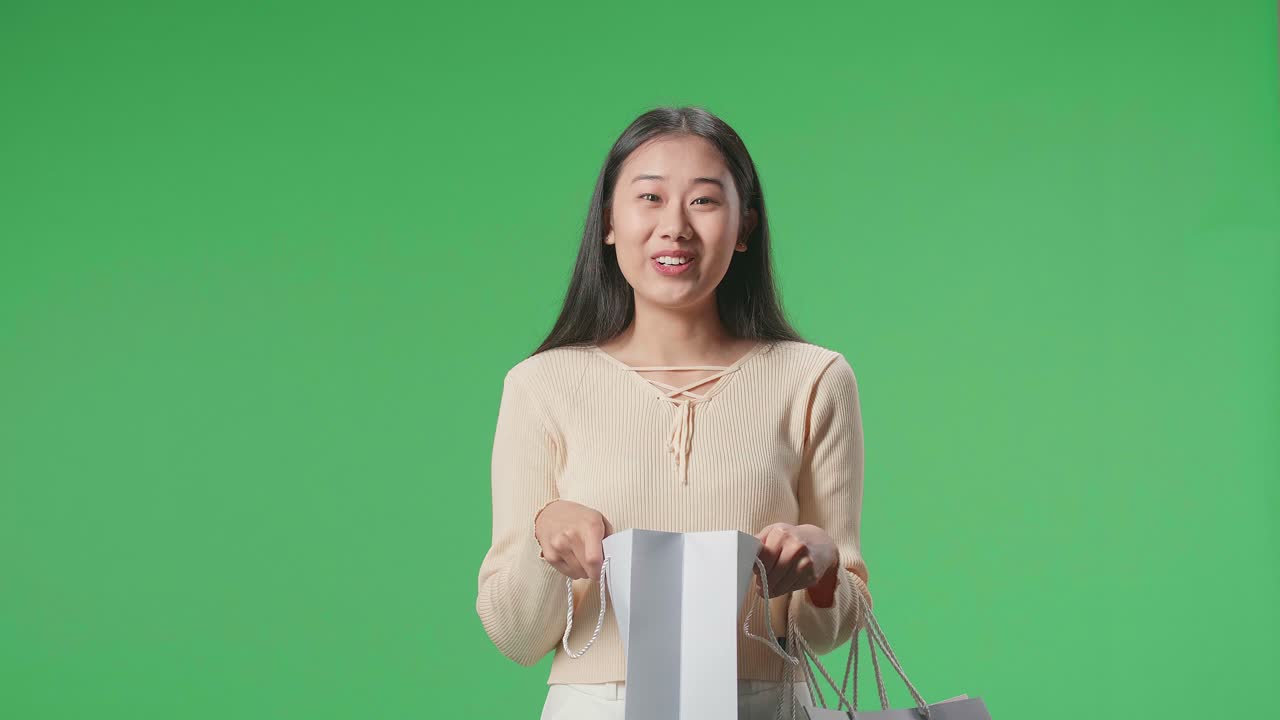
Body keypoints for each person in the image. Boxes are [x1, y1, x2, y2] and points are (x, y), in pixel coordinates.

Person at [475, 105, 874, 720]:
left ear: (745, 228)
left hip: (765, 705)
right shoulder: (541, 385)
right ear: (609, 222)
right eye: (651, 198)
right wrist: (541, 536)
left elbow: (829, 630)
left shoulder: (815, 378)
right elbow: (516, 637)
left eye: (705, 202)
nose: (675, 228)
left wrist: (821, 568)